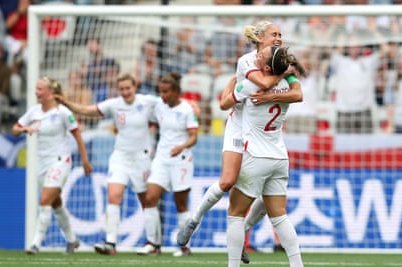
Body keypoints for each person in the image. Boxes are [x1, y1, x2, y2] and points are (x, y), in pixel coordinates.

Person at [177, 21, 298, 262]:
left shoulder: (278, 62)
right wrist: (284, 74)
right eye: (274, 34)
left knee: (266, 198)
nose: (279, 38)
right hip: (238, 126)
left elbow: (292, 91)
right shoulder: (247, 61)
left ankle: (240, 232)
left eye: (281, 35)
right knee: (227, 181)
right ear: (260, 38)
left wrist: (281, 77)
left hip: (258, 129)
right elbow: (262, 83)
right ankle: (194, 220)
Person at [55, 73, 158, 255]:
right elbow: (87, 110)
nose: (125, 92)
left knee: (147, 200)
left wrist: (191, 106)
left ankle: (153, 244)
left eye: (128, 88)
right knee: (114, 196)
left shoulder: (147, 101)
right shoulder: (114, 104)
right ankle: (110, 243)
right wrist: (66, 103)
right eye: (122, 89)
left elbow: (169, 104)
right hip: (120, 157)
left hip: (141, 158)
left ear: (135, 86)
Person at [221, 45, 304, 267]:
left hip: (256, 157)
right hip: (279, 157)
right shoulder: (288, 85)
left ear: (266, 67)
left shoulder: (249, 85)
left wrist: (231, 83)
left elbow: (224, 104)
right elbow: (298, 93)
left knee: (235, 213)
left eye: (260, 56)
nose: (255, 56)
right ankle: (297, 265)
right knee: (279, 216)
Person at [12, 77, 92, 255]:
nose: (36, 92)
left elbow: (77, 136)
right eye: (36, 88)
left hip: (60, 160)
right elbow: (14, 129)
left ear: (50, 93)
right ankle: (72, 240)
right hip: (42, 163)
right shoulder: (33, 112)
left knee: (44, 200)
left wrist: (85, 161)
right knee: (56, 203)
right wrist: (25, 129)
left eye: (40, 89)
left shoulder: (63, 113)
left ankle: (35, 244)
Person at [137, 72, 198, 257]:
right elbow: (148, 116)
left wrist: (181, 146)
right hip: (162, 158)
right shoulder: (159, 106)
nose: (163, 96)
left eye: (166, 92)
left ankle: (184, 247)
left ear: (176, 91)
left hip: (181, 160)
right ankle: (153, 244)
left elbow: (194, 137)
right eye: (160, 92)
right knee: (149, 198)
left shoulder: (187, 109)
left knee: (180, 204)